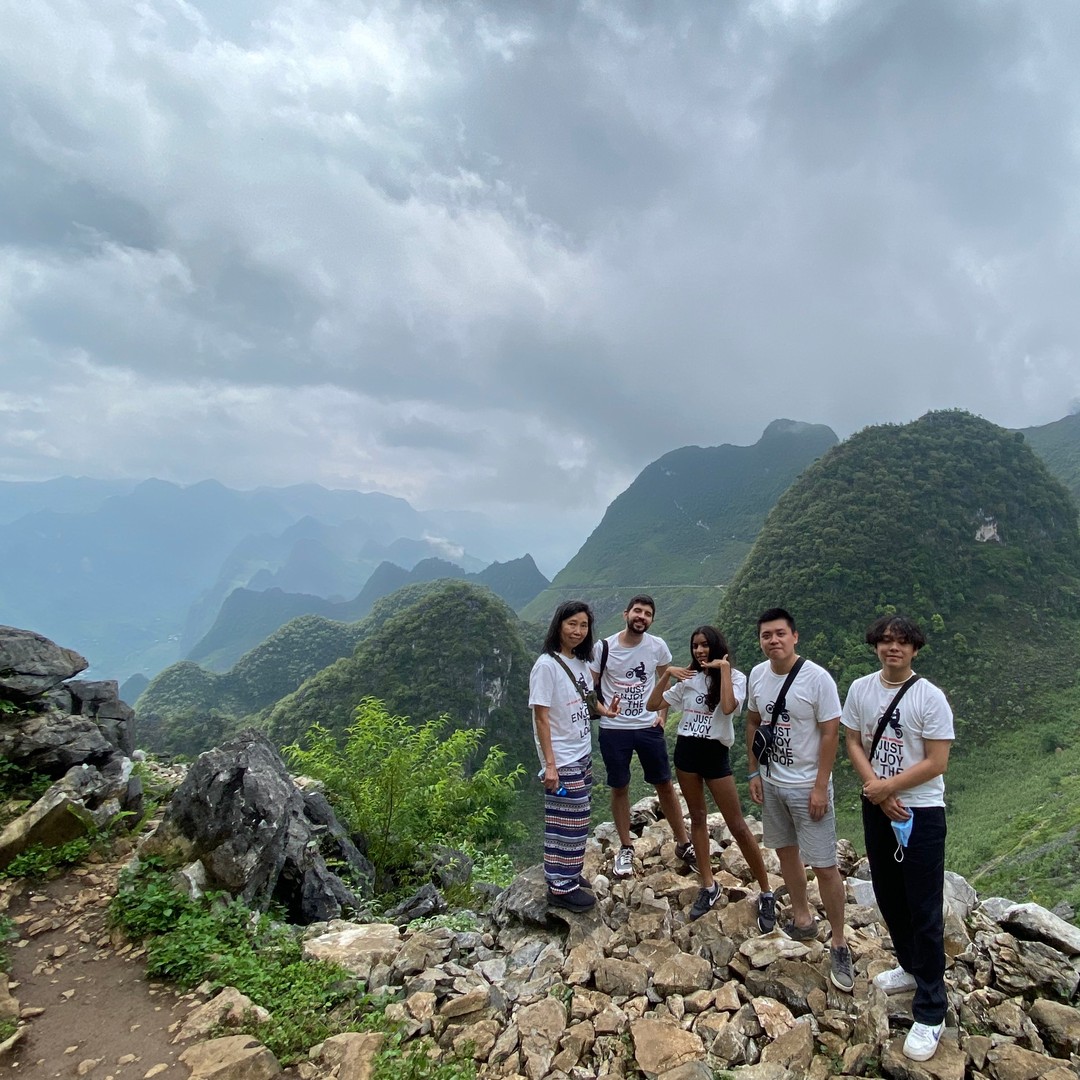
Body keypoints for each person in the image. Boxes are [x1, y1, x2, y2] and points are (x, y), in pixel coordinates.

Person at [843, 614, 954, 1062]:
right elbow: (853, 741)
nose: (894, 648)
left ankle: (932, 1008)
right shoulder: (861, 689)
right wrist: (876, 788)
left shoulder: (930, 697)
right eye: (886, 640)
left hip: (920, 812)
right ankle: (910, 967)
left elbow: (937, 761)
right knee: (889, 895)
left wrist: (889, 788)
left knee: (923, 907)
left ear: (914, 649)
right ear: (875, 645)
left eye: (903, 642)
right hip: (877, 805)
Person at [745, 607, 853, 992]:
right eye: (766, 635)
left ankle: (839, 942)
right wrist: (754, 772)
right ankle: (803, 919)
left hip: (808, 786)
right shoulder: (758, 675)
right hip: (772, 782)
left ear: (794, 636)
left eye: (780, 634)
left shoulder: (817, 678)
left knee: (824, 864)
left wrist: (821, 786)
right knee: (786, 852)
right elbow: (753, 722)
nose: (773, 641)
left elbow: (831, 733)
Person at [647, 625, 776, 926]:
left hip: (715, 754)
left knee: (737, 824)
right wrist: (667, 675)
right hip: (687, 752)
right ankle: (708, 884)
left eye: (705, 645)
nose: (700, 650)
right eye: (695, 646)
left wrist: (725, 670)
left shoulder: (737, 677)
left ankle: (766, 891)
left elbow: (728, 708)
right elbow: (652, 704)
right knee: (698, 817)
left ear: (716, 646)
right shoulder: (688, 678)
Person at [592, 595, 695, 878]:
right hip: (614, 729)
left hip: (648, 726)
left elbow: (665, 680)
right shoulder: (604, 648)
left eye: (648, 613)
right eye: (638, 611)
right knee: (619, 786)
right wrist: (605, 711)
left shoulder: (657, 646)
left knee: (664, 783)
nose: (642, 617)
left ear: (652, 619)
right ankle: (626, 846)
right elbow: (590, 688)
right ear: (626, 614)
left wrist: (662, 715)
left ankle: (683, 842)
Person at [529, 600, 620, 911]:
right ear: (559, 625)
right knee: (570, 819)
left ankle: (567, 871)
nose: (578, 631)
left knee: (573, 817)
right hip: (561, 757)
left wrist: (606, 711)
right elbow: (541, 718)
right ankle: (560, 887)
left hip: (581, 751)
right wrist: (549, 765)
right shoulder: (546, 666)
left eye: (583, 625)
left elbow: (587, 699)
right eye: (572, 624)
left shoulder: (580, 662)